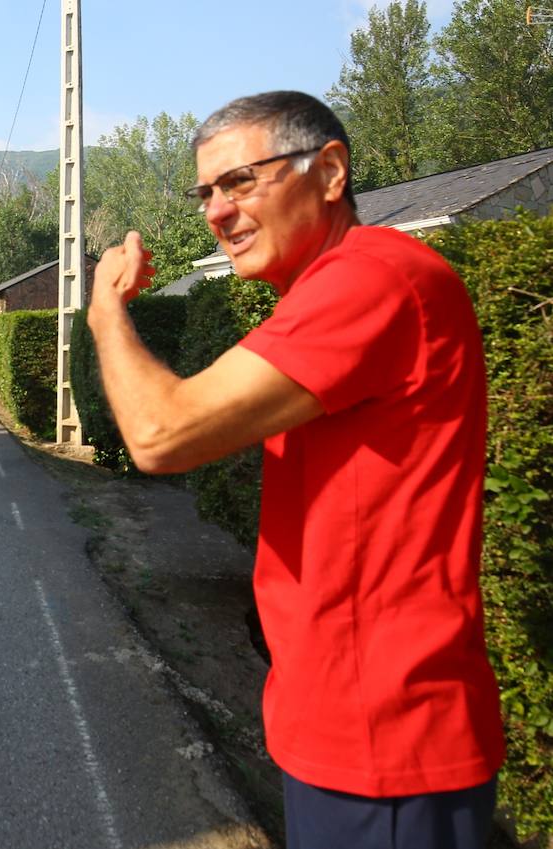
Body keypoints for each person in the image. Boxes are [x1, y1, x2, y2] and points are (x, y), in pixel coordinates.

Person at [85, 91, 504, 848]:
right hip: (341, 725)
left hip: (386, 741)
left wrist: (105, 313)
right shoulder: (325, 293)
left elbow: (158, 433)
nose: (216, 210)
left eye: (241, 180)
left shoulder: (370, 278)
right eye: (205, 191)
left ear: (331, 171)